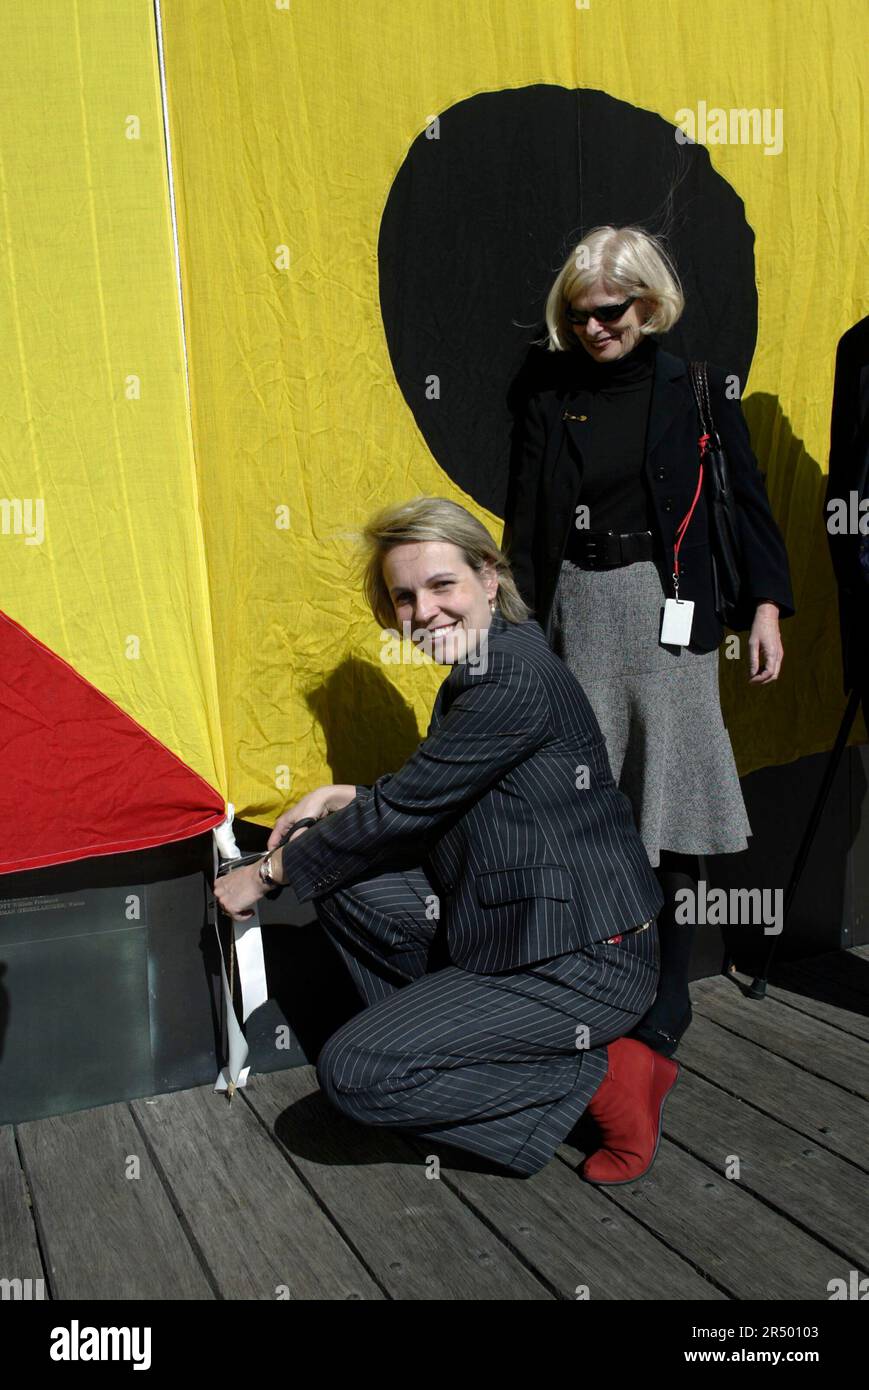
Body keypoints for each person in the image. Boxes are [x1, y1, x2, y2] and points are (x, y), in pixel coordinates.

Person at [214, 496, 675, 1184]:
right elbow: (445, 793)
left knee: (357, 1074)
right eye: (403, 596)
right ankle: (450, 1040)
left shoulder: (508, 675)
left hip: (583, 959)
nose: (422, 611)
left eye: (440, 585)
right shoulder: (489, 661)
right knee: (346, 877)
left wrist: (266, 873)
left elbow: (410, 806)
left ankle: (607, 1075)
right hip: (524, 923)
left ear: (488, 578)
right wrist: (345, 798)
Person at [503, 225, 795, 1058]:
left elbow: (745, 501)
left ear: (648, 301)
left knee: (664, 805)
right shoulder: (548, 395)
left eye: (609, 310)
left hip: (669, 609)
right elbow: (525, 519)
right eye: (580, 314)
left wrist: (766, 607)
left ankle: (670, 988)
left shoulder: (696, 388)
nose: (595, 328)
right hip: (575, 613)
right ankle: (601, 974)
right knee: (586, 807)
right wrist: (512, 624)